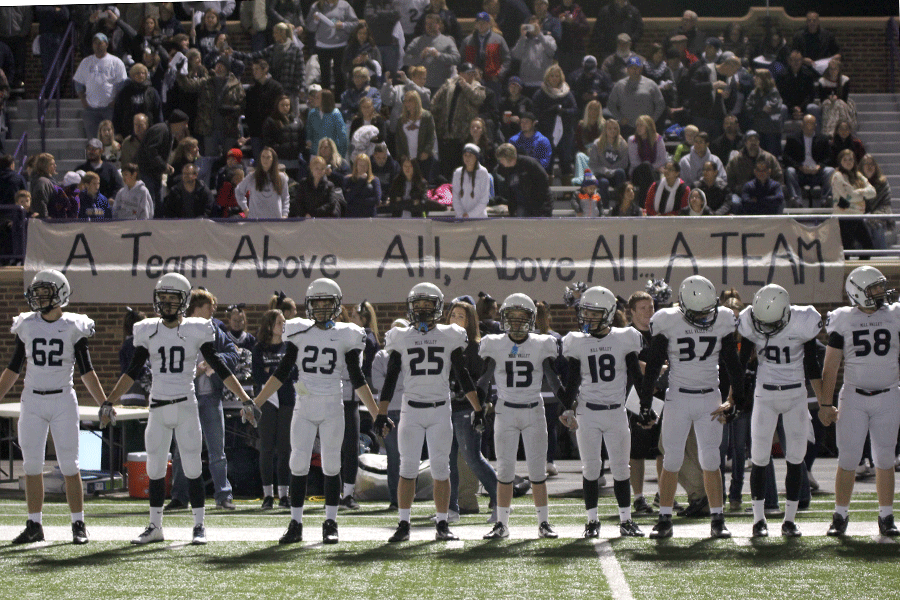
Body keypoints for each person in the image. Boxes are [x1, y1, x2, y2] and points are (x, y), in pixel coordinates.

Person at [105, 273, 257, 545]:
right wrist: (109, 400)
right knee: (154, 469)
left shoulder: (195, 329)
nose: (166, 304)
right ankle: (155, 526)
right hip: (158, 408)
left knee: (192, 467)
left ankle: (199, 526)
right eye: (162, 298)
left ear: (184, 302)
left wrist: (245, 398)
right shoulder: (148, 329)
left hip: (186, 405)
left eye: (172, 299)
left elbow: (220, 368)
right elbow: (132, 371)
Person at [250, 279, 386, 542]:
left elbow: (358, 379)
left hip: (333, 404)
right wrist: (256, 402)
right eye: (318, 303)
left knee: (332, 464)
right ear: (309, 305)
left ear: (336, 306)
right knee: (298, 463)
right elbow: (281, 373)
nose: (322, 309)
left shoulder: (346, 334)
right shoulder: (299, 331)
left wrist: (377, 413)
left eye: (327, 303)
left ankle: (331, 523)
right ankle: (296, 524)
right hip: (305, 405)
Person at [1, 270, 108, 545]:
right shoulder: (26, 324)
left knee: (70, 465)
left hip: (62, 399)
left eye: (44, 292)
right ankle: (34, 524)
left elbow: (87, 371)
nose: (37, 297)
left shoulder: (74, 325)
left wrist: (103, 402)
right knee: (32, 465)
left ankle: (78, 523)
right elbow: (13, 369)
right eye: (36, 292)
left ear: (60, 294)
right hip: (33, 399)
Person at [641, 275, 745, 539]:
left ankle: (717, 518)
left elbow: (733, 364)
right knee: (672, 458)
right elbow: (653, 365)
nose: (702, 318)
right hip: (678, 396)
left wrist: (736, 401)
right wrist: (644, 402)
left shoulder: (721, 319)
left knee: (711, 459)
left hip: (709, 397)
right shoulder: (669, 320)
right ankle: (664, 517)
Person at [379, 283, 485, 542]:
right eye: (419, 305)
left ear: (438, 308)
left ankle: (441, 523)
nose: (423, 310)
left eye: (428, 305)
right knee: (407, 469)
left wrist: (478, 408)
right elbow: (391, 378)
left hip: (439, 409)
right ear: (411, 307)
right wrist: (381, 414)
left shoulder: (450, 335)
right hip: (411, 410)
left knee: (441, 469)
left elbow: (461, 375)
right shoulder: (401, 336)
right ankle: (404, 524)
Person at [737, 284, 823, 538]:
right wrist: (734, 397)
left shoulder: (803, 320)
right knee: (760, 458)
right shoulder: (750, 320)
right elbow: (741, 363)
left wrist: (824, 403)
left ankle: (789, 519)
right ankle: (759, 519)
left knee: (796, 458)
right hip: (765, 394)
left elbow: (811, 364)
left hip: (795, 394)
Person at [560, 286, 645, 537]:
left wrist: (646, 406)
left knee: (621, 469)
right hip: (588, 412)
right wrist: (566, 406)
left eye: (594, 313)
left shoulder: (623, 337)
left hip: (616, 411)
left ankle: (626, 520)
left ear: (608, 314)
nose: (587, 318)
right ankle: (592, 521)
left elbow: (635, 376)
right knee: (590, 469)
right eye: (585, 312)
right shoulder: (577, 341)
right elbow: (573, 380)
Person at [822, 267, 900, 538]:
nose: (881, 292)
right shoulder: (843, 318)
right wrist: (824, 403)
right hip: (854, 397)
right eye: (875, 288)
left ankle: (886, 515)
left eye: (881, 287)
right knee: (848, 459)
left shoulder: (895, 314)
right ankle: (840, 515)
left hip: (889, 394)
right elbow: (830, 366)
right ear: (859, 292)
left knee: (885, 458)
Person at [479, 294, 562, 540]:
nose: (515, 323)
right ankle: (502, 524)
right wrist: (478, 407)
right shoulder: (495, 343)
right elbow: (484, 380)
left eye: (521, 318)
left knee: (537, 471)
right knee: (504, 471)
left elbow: (553, 379)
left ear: (531, 320)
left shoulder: (541, 343)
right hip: (505, 410)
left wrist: (567, 406)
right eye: (511, 318)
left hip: (534, 409)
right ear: (504, 319)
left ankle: (544, 523)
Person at [165, 289, 239, 512]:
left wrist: (212, 362)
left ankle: (223, 495)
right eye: (210, 306)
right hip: (186, 397)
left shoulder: (215, 328)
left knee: (217, 449)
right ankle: (179, 496)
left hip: (210, 397)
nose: (213, 310)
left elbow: (233, 354)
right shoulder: (179, 329)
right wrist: (193, 371)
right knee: (182, 450)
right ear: (195, 307)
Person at [175, 55, 245, 159]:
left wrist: (234, 110)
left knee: (230, 158)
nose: (219, 68)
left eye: (222, 65)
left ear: (227, 68)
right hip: (210, 128)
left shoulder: (236, 85)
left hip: (230, 128)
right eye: (217, 65)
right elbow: (188, 85)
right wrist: (180, 73)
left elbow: (243, 104)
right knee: (210, 158)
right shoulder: (207, 82)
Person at [431, 63, 486, 182]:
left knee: (460, 168)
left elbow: (478, 99)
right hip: (446, 133)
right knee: (445, 168)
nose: (471, 76)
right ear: (460, 74)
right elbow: (435, 102)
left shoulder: (476, 86)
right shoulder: (449, 83)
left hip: (463, 135)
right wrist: (437, 120)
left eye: (473, 74)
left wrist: (465, 85)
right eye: (468, 74)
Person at [73, 33, 127, 139]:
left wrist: (114, 101)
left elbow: (122, 85)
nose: (98, 45)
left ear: (106, 44)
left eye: (100, 43)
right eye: (95, 43)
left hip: (109, 109)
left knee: (110, 139)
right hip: (90, 110)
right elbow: (78, 83)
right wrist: (83, 100)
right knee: (93, 141)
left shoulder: (116, 62)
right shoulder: (86, 62)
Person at [532, 64, 577, 182]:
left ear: (561, 77)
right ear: (547, 77)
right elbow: (535, 112)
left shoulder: (567, 93)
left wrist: (564, 111)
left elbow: (575, 110)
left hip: (565, 132)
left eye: (557, 76)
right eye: (552, 76)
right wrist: (550, 111)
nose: (554, 78)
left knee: (566, 159)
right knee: (547, 160)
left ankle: (567, 190)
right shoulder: (540, 93)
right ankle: (547, 188)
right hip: (546, 131)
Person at [307, 0, 359, 99]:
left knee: (340, 74)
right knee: (324, 75)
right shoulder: (316, 6)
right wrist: (315, 21)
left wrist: (343, 25)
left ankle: (340, 100)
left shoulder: (345, 5)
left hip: (340, 45)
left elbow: (355, 23)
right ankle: (325, 100)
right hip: (322, 46)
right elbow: (310, 28)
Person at [607, 56, 664, 139]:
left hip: (646, 128)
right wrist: (619, 118)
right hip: (627, 127)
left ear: (641, 69)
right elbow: (611, 104)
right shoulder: (620, 85)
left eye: (637, 68)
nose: (635, 70)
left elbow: (660, 103)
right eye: (632, 68)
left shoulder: (650, 84)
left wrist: (652, 119)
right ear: (627, 69)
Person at [783, 114, 834, 207]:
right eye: (807, 124)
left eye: (812, 124)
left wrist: (819, 166)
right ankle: (796, 201)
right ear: (802, 125)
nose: (809, 127)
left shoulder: (823, 138)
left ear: (815, 126)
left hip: (817, 172)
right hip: (800, 172)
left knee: (830, 171)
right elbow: (786, 157)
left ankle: (826, 200)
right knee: (789, 171)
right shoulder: (792, 138)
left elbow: (829, 157)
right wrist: (799, 166)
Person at [403, 13, 460, 93]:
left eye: (432, 23)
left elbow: (457, 59)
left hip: (442, 86)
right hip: (421, 87)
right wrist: (420, 56)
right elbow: (405, 59)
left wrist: (439, 55)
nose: (429, 26)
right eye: (427, 24)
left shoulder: (448, 41)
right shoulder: (417, 41)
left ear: (439, 24)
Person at [832, 149, 876, 251]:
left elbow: (873, 192)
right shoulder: (837, 176)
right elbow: (849, 196)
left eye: (851, 159)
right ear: (840, 161)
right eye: (845, 160)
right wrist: (864, 194)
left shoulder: (858, 175)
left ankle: (861, 267)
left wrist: (859, 192)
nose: (848, 162)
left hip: (857, 216)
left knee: (868, 246)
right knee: (847, 248)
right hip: (844, 218)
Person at [494, 143, 552, 217]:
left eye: (501, 159)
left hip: (538, 205)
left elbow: (543, 184)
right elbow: (510, 190)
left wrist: (544, 208)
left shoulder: (530, 164)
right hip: (520, 205)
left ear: (508, 157)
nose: (500, 162)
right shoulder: (503, 170)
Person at [460, 12, 510, 96]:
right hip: (472, 80)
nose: (481, 25)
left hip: (492, 80)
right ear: (475, 24)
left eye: (483, 23)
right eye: (478, 23)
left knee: (492, 105)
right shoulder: (467, 40)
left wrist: (499, 74)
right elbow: (461, 59)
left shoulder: (498, 39)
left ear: (489, 24)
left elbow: (507, 59)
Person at [394, 90, 436, 183]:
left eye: (410, 100)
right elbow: (398, 140)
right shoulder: (401, 119)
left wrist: (426, 151)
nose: (407, 103)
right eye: (405, 101)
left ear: (416, 101)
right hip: (408, 161)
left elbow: (431, 136)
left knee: (423, 184)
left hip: (423, 158)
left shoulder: (426, 116)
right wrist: (402, 155)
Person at [235, 147, 290, 218]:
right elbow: (238, 191)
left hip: (275, 222)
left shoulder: (281, 178)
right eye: (263, 157)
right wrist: (245, 209)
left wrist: (284, 215)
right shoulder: (252, 177)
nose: (265, 160)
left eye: (268, 157)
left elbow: (285, 198)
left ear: (273, 159)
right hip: (255, 222)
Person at [113, 63, 162, 138]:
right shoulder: (124, 92)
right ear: (132, 75)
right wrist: (117, 132)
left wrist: (159, 129)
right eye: (138, 73)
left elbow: (158, 112)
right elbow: (117, 113)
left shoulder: (152, 92)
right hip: (128, 132)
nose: (141, 75)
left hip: (149, 131)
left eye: (143, 73)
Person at [743, 69, 784, 157]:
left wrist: (757, 110)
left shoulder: (773, 92)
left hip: (771, 130)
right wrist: (761, 110)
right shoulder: (754, 93)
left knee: (770, 155)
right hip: (758, 128)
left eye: (757, 77)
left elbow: (772, 108)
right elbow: (748, 108)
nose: (754, 78)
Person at [510, 16, 557, 92]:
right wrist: (522, 37)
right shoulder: (524, 40)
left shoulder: (548, 38)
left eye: (534, 26)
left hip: (543, 84)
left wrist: (539, 34)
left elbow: (551, 52)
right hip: (525, 83)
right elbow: (516, 55)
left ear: (540, 26)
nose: (532, 28)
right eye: (530, 26)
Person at [860, 154, 894, 251]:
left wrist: (873, 215)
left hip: (880, 213)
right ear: (861, 167)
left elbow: (886, 203)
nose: (869, 167)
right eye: (866, 164)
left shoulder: (882, 182)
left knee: (876, 225)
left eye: (872, 164)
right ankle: (863, 256)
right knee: (861, 223)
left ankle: (881, 259)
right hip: (861, 214)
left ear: (876, 166)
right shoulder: (857, 182)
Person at [306, 88, 349, 159]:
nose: (314, 99)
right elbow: (309, 132)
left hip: (331, 154)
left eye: (317, 98)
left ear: (324, 100)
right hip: (315, 153)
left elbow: (342, 136)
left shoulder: (335, 113)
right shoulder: (312, 113)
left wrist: (341, 155)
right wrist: (309, 141)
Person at [452, 144, 490, 219]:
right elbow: (455, 196)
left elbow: (484, 199)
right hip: (461, 218)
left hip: (479, 217)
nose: (467, 158)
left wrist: (470, 215)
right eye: (465, 155)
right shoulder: (457, 173)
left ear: (476, 157)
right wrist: (461, 214)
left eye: (470, 155)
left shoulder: (483, 172)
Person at [343, 153, 381, 217]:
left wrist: (356, 201)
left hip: (369, 215)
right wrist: (360, 181)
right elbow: (347, 198)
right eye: (360, 165)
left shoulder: (374, 180)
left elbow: (377, 199)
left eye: (365, 165)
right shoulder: (348, 179)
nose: (363, 168)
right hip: (352, 215)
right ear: (356, 166)